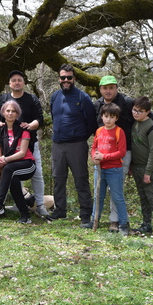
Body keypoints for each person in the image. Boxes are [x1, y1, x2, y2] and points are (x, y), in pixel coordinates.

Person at [94, 75, 153, 232]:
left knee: (116, 188)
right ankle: (96, 218)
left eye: (111, 87)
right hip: (103, 154)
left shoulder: (127, 102)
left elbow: (146, 111)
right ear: (100, 89)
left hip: (125, 152)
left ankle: (115, 220)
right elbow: (94, 127)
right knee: (102, 189)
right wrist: (94, 150)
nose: (108, 91)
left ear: (116, 88)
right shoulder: (97, 105)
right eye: (105, 88)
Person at [48, 64, 97, 224]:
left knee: (81, 180)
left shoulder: (83, 98)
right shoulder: (55, 96)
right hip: (57, 145)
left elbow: (92, 123)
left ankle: (85, 215)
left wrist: (79, 137)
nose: (66, 80)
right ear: (59, 79)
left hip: (77, 145)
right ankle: (60, 211)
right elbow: (54, 118)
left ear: (74, 79)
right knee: (58, 179)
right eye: (63, 77)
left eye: (69, 77)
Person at [0, 70, 47, 217]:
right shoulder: (4, 98)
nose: (17, 82)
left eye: (19, 80)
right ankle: (20, 203)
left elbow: (39, 119)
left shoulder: (31, 99)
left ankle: (41, 204)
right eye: (14, 80)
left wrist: (29, 126)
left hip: (29, 142)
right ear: (10, 84)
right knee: (13, 173)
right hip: (9, 143)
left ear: (24, 82)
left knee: (37, 173)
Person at [80, 103, 129, 235]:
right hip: (99, 170)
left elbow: (121, 152)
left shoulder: (119, 132)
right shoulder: (99, 131)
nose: (108, 119)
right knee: (98, 196)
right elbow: (94, 147)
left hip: (114, 170)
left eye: (111, 117)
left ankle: (124, 223)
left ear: (116, 118)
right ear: (101, 116)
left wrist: (104, 157)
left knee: (117, 197)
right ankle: (94, 220)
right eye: (106, 116)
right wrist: (94, 157)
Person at [0, 101, 36, 224]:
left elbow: (22, 153)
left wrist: (5, 160)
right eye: (8, 111)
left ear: (17, 114)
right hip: (12, 167)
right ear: (3, 112)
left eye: (13, 111)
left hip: (27, 164)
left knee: (8, 169)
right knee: (13, 181)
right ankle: (25, 215)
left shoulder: (23, 129)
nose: (10, 113)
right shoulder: (0, 130)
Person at [130, 96, 153, 238]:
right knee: (143, 197)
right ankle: (146, 224)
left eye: (140, 111)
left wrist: (148, 172)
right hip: (137, 167)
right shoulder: (135, 124)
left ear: (147, 112)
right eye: (134, 110)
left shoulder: (152, 127)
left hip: (149, 168)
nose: (136, 113)